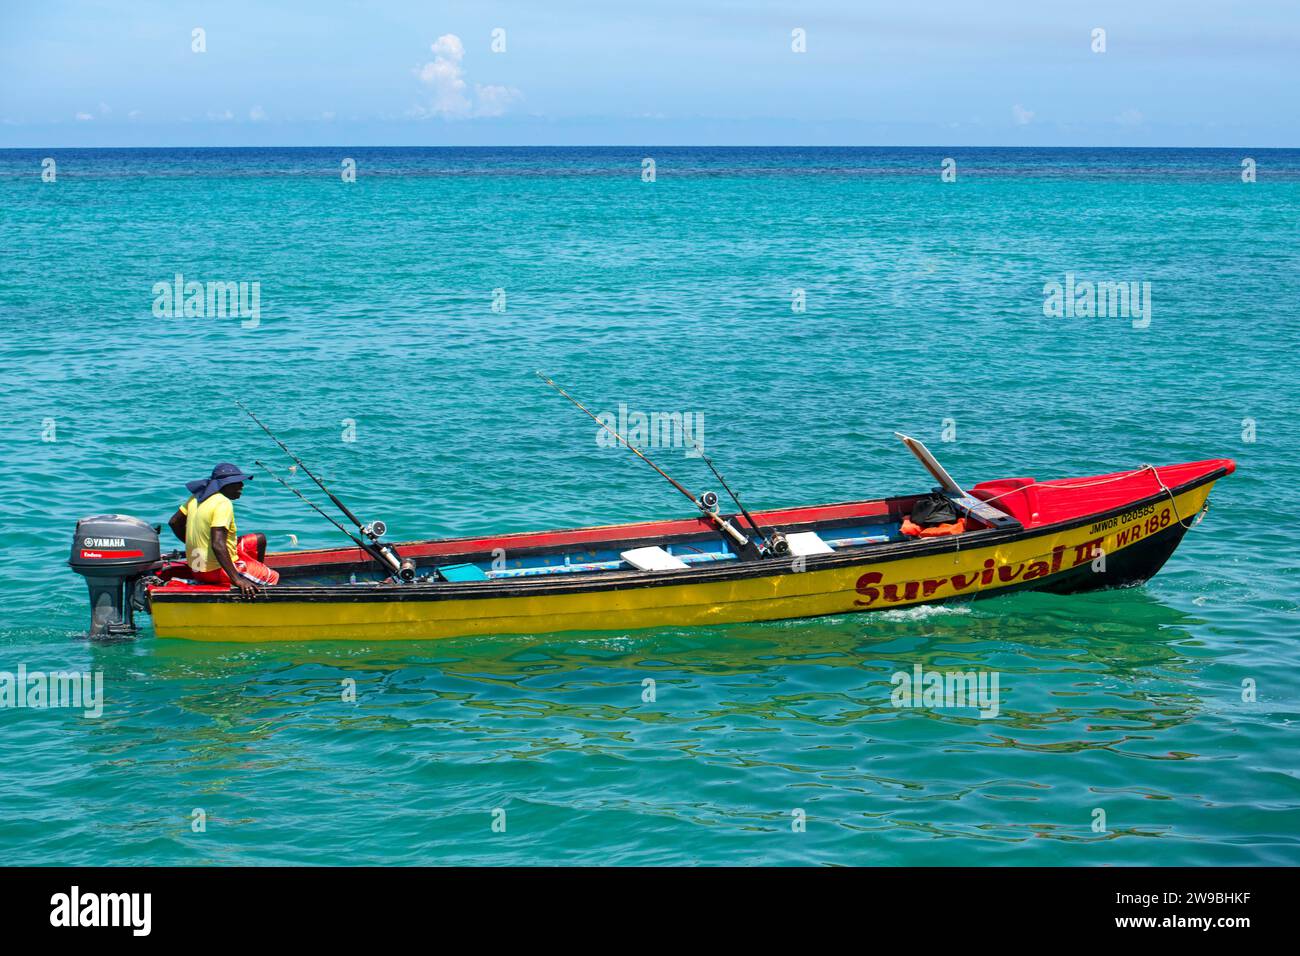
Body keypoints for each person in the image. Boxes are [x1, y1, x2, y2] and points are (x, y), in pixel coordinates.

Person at [167, 463, 279, 595]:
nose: (242, 486)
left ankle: (252, 574)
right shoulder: (223, 503)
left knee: (259, 539)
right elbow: (218, 544)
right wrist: (237, 579)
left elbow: (174, 522)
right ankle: (246, 582)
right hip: (213, 571)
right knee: (273, 577)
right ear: (225, 484)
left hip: (196, 567)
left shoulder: (196, 498)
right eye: (237, 483)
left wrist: (197, 545)